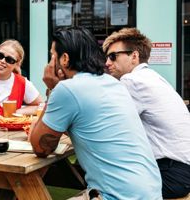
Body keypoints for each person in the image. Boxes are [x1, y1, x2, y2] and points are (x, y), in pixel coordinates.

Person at [29, 27, 162, 200]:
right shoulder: (113, 83)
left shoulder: (67, 89)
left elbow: (41, 148)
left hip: (117, 196)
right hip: (151, 191)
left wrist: (52, 89)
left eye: (52, 55)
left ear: (64, 59)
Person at [103, 27, 190, 199]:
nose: (107, 62)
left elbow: (108, 126)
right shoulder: (152, 77)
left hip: (171, 174)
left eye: (113, 56)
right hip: (181, 170)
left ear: (134, 56)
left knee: (104, 184)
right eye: (106, 57)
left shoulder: (132, 80)